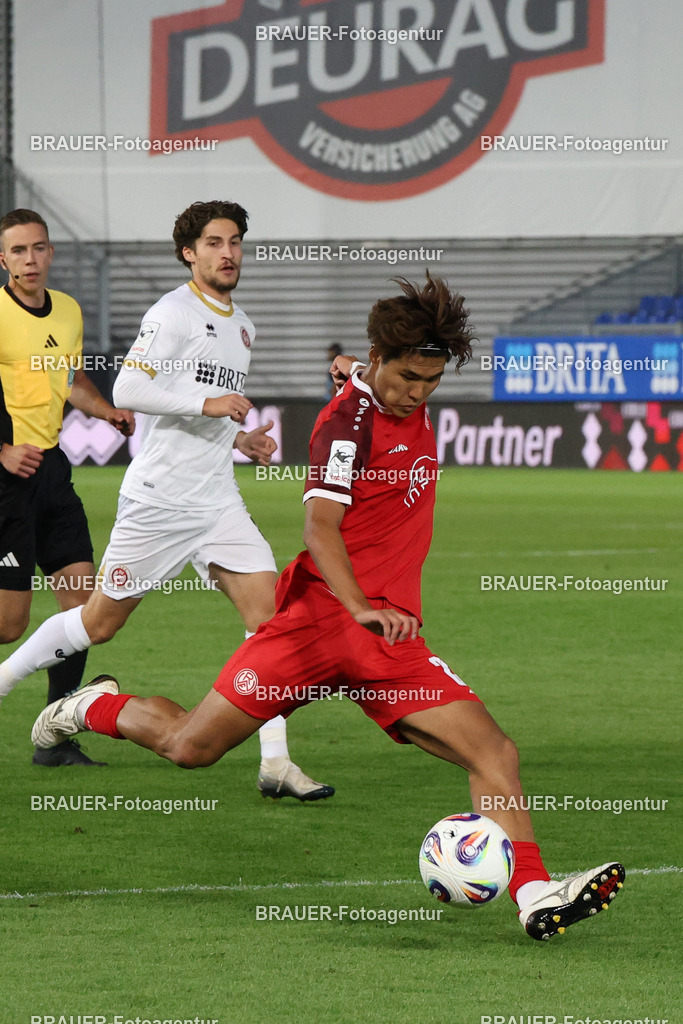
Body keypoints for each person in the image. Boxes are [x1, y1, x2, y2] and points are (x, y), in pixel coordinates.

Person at [28, 274, 625, 938]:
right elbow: (319, 528)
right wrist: (359, 604)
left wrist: (354, 371)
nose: (417, 394)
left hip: (387, 641)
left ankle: (534, 892)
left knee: (495, 753)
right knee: (190, 747)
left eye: (430, 382)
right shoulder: (346, 426)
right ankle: (89, 705)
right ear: (378, 361)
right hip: (316, 627)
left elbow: (370, 376)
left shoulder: (392, 388)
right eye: (405, 379)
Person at [0, 200, 333, 801]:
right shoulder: (173, 312)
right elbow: (131, 385)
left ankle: (277, 763)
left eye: (234, 242)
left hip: (217, 501)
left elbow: (206, 406)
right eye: (212, 243)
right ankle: (6, 684)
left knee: (272, 624)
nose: (226, 252)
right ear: (190, 252)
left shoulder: (243, 326)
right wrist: (211, 407)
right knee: (99, 624)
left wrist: (241, 438)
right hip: (158, 502)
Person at [0, 208, 135, 766]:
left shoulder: (70, 311)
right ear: (3, 260)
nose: (31, 259)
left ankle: (54, 735)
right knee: (9, 625)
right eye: (18, 251)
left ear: (50, 252)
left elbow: (72, 380)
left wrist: (105, 411)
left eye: (39, 248)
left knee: (82, 611)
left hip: (53, 476)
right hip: (6, 481)